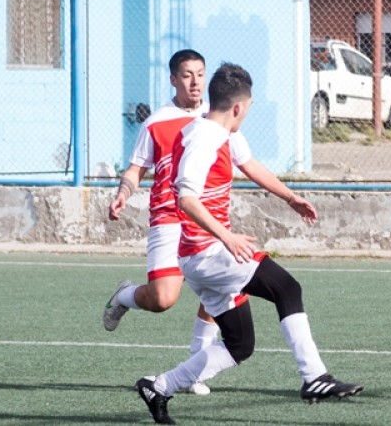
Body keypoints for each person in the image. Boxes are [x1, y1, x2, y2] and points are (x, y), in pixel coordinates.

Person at [135, 62, 363, 424]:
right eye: (249, 107)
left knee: (240, 345)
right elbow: (186, 199)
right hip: (207, 252)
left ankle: (159, 386)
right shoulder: (204, 138)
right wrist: (225, 236)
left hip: (200, 256)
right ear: (238, 107)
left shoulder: (220, 131)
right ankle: (314, 377)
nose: (248, 113)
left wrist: (290, 197)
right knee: (287, 287)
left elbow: (250, 164)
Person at [103, 49, 233, 396]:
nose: (195, 82)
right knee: (163, 300)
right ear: (174, 80)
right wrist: (123, 193)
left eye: (201, 74)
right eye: (187, 75)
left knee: (219, 286)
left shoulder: (216, 118)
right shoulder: (156, 122)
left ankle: (195, 369)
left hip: (207, 219)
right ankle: (125, 296)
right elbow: (135, 170)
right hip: (169, 217)